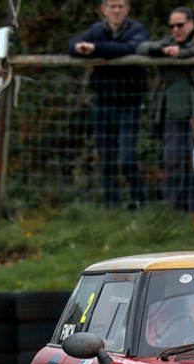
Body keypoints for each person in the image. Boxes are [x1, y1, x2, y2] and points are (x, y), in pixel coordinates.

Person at [138, 7, 194, 213]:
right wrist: (163, 50)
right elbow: (142, 48)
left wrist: (183, 53)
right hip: (171, 114)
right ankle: (174, 209)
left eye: (180, 25)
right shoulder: (167, 42)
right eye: (172, 26)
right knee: (173, 160)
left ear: (192, 24)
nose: (176, 30)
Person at [69, 0, 149, 210]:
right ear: (104, 9)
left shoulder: (137, 30)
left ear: (127, 9)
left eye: (120, 6)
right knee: (107, 159)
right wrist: (80, 47)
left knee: (128, 157)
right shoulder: (97, 30)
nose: (116, 10)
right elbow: (74, 45)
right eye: (112, 6)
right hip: (102, 103)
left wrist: (96, 48)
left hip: (129, 103)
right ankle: (112, 207)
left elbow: (130, 48)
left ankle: (138, 201)